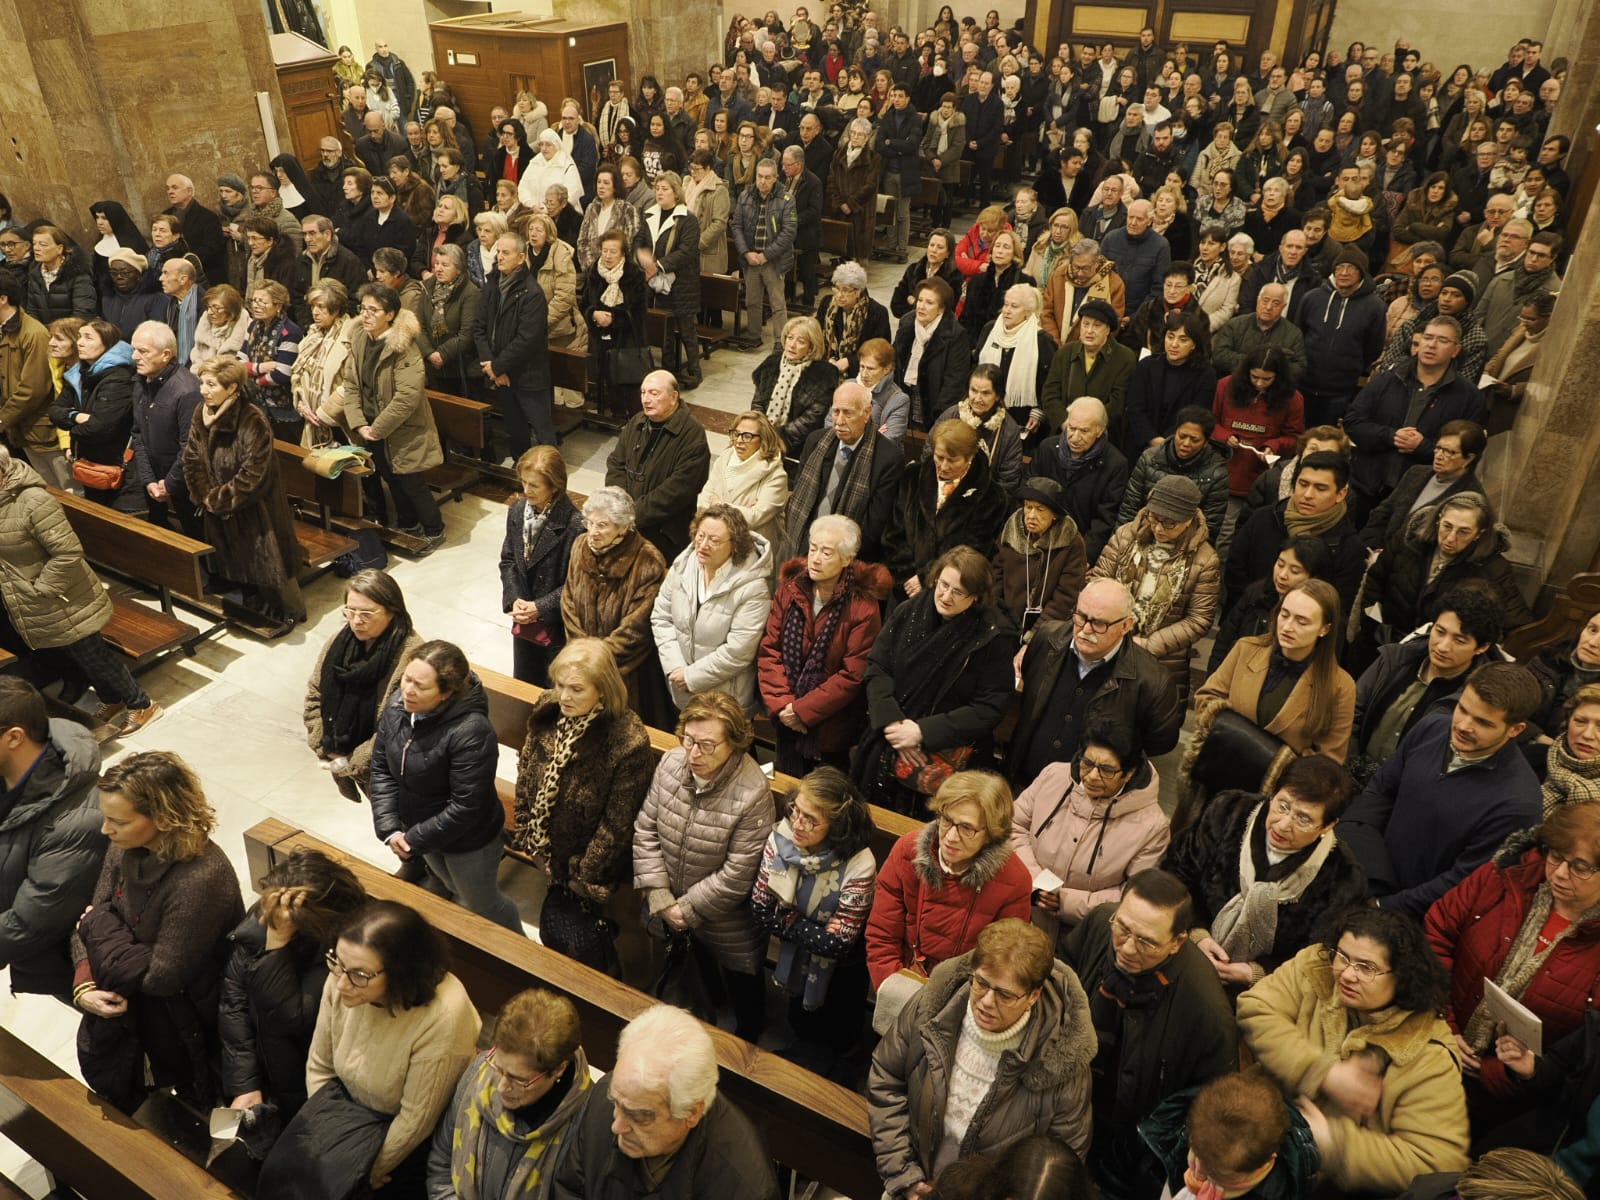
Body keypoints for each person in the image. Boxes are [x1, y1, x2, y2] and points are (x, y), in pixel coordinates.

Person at [1236, 906, 1470, 1193]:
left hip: (1329, 1184)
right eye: (1343, 956)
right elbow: (1255, 1007)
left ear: (1403, 977)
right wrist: (1321, 1072)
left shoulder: (1428, 1054)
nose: (1346, 974)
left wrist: (1333, 1143)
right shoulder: (1318, 967)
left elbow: (1437, 1162)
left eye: (1366, 967)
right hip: (1261, 1124)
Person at [256, 901, 480, 1198]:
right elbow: (320, 1064)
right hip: (338, 1109)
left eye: (360, 975)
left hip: (396, 1138)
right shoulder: (343, 976)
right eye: (337, 962)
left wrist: (366, 1171)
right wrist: (321, 1135)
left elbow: (415, 1121)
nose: (341, 984)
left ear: (401, 970)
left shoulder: (444, 1016)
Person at [869, 918, 1096, 1197]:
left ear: (1033, 996)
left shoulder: (1063, 1061)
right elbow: (886, 1077)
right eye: (981, 983)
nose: (987, 1002)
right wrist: (903, 1173)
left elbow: (1060, 1160)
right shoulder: (932, 1008)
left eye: (1004, 994)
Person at [71, 752, 244, 1114]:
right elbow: (84, 927)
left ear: (164, 818)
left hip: (190, 1022)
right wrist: (85, 985)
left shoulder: (201, 878)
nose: (106, 830)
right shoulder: (125, 848)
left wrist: (99, 926)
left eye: (118, 821)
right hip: (136, 1010)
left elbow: (161, 976)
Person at [1059, 870, 1238, 1198]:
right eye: (1122, 928)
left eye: (1146, 941)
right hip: (1070, 1105)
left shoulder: (1207, 1011)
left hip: (1133, 1143)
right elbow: (1061, 974)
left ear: (1177, 942)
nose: (1126, 948)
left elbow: (1208, 1104)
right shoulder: (1100, 923)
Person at [1427, 803, 1600, 1126]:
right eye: (1556, 856)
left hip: (1512, 1109)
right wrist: (1443, 1023)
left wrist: (1516, 1072)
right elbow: (1437, 933)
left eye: (1580, 866)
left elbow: (1586, 1051)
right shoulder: (1505, 877)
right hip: (1432, 1054)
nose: (1560, 874)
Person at [1340, 661, 1544, 917]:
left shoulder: (1518, 804)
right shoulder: (1431, 728)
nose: (1462, 726)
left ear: (1516, 729)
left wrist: (1383, 907)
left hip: (1408, 918)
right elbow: (1379, 793)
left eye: (1482, 722)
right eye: (1462, 709)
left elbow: (1463, 883)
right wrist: (1365, 875)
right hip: (1362, 877)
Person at [633, 690, 773, 1042]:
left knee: (743, 990)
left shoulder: (752, 791)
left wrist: (688, 908)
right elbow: (646, 826)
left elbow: (739, 872)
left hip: (728, 921)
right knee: (694, 977)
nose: (693, 753)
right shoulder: (670, 763)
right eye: (689, 740)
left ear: (735, 745)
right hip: (670, 905)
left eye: (707, 745)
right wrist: (660, 895)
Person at [1163, 753, 1367, 989]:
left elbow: (1319, 958)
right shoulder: (1228, 811)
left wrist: (1257, 973)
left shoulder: (1343, 878)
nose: (1282, 824)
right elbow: (1175, 873)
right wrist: (1195, 931)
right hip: (1180, 942)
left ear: (1329, 825)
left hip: (1264, 989)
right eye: (1283, 805)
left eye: (1303, 819)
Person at [511, 638, 651, 970]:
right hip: (548, 848)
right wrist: (529, 836)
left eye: (576, 689)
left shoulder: (627, 740)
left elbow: (617, 824)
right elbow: (527, 771)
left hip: (592, 865)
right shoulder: (549, 706)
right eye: (560, 684)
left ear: (603, 690)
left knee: (598, 944)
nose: (563, 697)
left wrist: (579, 876)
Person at [369, 640, 523, 933]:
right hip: (423, 830)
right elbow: (381, 768)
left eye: (421, 686)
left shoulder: (471, 731)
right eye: (407, 679)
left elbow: (467, 805)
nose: (408, 690)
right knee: (453, 883)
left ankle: (520, 950)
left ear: (447, 693)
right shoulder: (398, 706)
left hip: (469, 840)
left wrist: (413, 838)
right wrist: (390, 829)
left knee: (485, 905)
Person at [551, 1003, 780, 1199]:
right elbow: (568, 1188)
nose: (616, 1125)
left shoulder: (744, 1187)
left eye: (639, 1117)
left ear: (691, 1113)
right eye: (616, 1103)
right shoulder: (611, 1096)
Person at [219, 849, 367, 1145]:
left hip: (310, 1085)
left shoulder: (350, 949)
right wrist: (244, 1081)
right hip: (260, 1072)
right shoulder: (267, 915)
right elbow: (233, 1001)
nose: (268, 915)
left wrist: (275, 948)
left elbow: (292, 1018)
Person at [866, 771, 1033, 1013]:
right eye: (946, 820)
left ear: (992, 834)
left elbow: (999, 964)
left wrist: (954, 1013)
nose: (951, 837)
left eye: (967, 828)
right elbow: (882, 934)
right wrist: (894, 990)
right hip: (900, 982)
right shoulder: (907, 851)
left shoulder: (1014, 881)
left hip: (963, 1002)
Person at [751, 767, 877, 1074]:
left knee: (837, 1036)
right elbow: (760, 908)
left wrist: (788, 917)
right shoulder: (781, 837)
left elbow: (839, 943)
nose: (798, 823)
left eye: (811, 819)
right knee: (800, 1023)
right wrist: (813, 928)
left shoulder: (860, 863)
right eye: (796, 810)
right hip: (797, 958)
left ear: (837, 826)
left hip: (842, 973)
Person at [1188, 579, 1355, 806]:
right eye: (1284, 614)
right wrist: (1232, 732)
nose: (1287, 626)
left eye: (1302, 621)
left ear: (1325, 629)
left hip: (1273, 799)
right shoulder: (1247, 648)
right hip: (1215, 775)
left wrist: (1280, 763)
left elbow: (1329, 763)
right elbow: (1206, 698)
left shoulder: (1340, 687)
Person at [1009, 577, 1184, 786]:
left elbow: (1159, 742)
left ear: (1126, 625)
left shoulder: (1153, 681)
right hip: (1023, 780)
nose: (1085, 629)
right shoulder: (1047, 638)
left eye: (1100, 623)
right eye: (1081, 616)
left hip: (1086, 797)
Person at [1010, 717, 1167, 945]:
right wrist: (1035, 880)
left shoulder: (1153, 825)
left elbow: (1134, 893)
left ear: (1129, 773)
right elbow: (1013, 826)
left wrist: (1066, 902)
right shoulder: (1053, 776)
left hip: (1083, 936)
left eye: (1106, 770)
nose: (1092, 776)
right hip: (1021, 911)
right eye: (1087, 763)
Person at [426, 988, 592, 1200]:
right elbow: (441, 1161)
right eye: (499, 1068)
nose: (502, 1086)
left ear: (558, 1069)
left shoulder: (584, 1125)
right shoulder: (479, 1074)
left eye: (519, 1079)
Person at [0, 677, 105, 998]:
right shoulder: (8, 766)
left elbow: (29, 924)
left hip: (62, 963)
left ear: (15, 737)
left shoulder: (75, 821)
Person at [183, 356, 307, 623]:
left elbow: (254, 474)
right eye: (202, 383)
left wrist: (218, 500)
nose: (203, 390)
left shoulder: (252, 419)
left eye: (211, 384)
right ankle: (256, 607)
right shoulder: (201, 414)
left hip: (257, 510)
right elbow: (192, 459)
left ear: (232, 389)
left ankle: (289, 613)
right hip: (220, 506)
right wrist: (206, 496)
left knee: (271, 567)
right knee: (239, 566)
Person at [1350, 586, 1503, 783]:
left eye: (1459, 640)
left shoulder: (1476, 697)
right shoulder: (1395, 659)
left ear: (1481, 648)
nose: (1442, 646)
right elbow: (1352, 711)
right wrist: (1351, 763)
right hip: (1353, 772)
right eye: (1439, 631)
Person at [1344, 316, 1487, 512]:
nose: (1431, 345)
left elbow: (1468, 453)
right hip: (1366, 486)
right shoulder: (1388, 380)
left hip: (1420, 496)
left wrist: (1423, 446)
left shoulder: (1468, 397)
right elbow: (1353, 422)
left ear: (1455, 350)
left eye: (1442, 341)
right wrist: (1390, 436)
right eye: (1427, 338)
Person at [302, 568, 421, 804]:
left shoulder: (411, 657)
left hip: (391, 774)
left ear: (392, 611)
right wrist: (323, 742)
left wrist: (351, 761)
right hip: (346, 759)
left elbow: (400, 727)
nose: (357, 621)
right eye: (350, 611)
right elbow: (315, 694)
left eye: (367, 613)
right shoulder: (339, 642)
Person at [343, 282, 446, 550]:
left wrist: (377, 428)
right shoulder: (360, 338)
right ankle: (408, 523)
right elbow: (352, 384)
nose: (365, 315)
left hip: (402, 428)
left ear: (390, 315)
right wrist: (359, 423)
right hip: (371, 427)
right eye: (363, 309)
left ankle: (435, 528)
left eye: (373, 310)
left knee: (411, 482)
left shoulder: (405, 347)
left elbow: (407, 396)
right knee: (390, 477)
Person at [1095, 473, 1222, 682]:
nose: (1158, 528)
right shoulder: (1127, 535)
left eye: (1170, 523)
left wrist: (1150, 644)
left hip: (1162, 659)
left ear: (1189, 521)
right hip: (1109, 639)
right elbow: (1099, 580)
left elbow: (1199, 619)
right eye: (1154, 518)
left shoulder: (1205, 559)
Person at [651, 504, 774, 715]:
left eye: (714, 540)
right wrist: (675, 667)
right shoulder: (683, 565)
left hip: (725, 701)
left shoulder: (753, 588)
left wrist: (691, 677)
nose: (703, 545)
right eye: (700, 536)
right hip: (680, 687)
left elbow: (738, 651)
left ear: (734, 545)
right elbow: (661, 617)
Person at [1363, 493, 1533, 640]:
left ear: (1478, 534)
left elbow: (1517, 625)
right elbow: (1375, 580)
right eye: (1447, 526)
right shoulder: (1409, 541)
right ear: (1438, 520)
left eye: (1463, 532)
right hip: (1384, 639)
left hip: (1438, 652)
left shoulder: (1493, 569)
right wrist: (1369, 627)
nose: (1450, 538)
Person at [1137, 1069, 1320, 1200]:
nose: (1197, 1173)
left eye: (1217, 1176)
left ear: (1266, 1163)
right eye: (1196, 1153)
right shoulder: (1196, 1130)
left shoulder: (1275, 1191)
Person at [1226, 451, 1366, 614]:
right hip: (1247, 616)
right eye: (1303, 484)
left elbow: (1336, 607)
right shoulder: (1264, 518)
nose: (1307, 495)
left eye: (1320, 488)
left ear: (1341, 494)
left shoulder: (1348, 547)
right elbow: (1235, 570)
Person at [781, 381, 905, 564]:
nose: (839, 421)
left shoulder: (887, 458)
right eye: (836, 411)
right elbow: (799, 492)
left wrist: (831, 554)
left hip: (849, 558)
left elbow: (873, 526)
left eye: (848, 413)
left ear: (867, 413)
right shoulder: (816, 441)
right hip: (802, 546)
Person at [884, 420, 1007, 596]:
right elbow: (893, 535)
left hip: (951, 591)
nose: (943, 466)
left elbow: (973, 550)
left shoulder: (991, 497)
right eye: (939, 457)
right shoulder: (911, 478)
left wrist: (927, 578)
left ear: (970, 457)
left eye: (952, 460)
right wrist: (906, 577)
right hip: (903, 587)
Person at [495, 446, 582, 687]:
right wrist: (515, 600)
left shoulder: (575, 525)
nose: (526, 491)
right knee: (524, 682)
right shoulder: (517, 511)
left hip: (555, 625)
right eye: (524, 482)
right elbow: (509, 559)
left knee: (551, 687)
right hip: (524, 619)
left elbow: (576, 585)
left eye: (534, 486)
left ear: (554, 486)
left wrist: (539, 607)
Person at [605, 370, 711, 563]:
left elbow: (677, 491)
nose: (646, 399)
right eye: (643, 393)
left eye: (654, 393)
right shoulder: (637, 422)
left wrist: (632, 515)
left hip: (665, 533)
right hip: (627, 522)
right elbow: (616, 464)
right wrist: (619, 504)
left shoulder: (692, 435)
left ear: (673, 397)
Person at [473, 233, 555, 456]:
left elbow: (527, 340)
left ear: (520, 258)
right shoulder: (492, 285)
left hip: (528, 376)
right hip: (501, 374)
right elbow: (479, 328)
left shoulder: (532, 293)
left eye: (505, 253)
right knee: (514, 432)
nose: (499, 257)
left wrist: (497, 367)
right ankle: (522, 475)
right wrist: (491, 365)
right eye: (498, 251)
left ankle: (552, 479)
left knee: (543, 432)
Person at [1031, 396, 1131, 562]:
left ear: (1100, 430)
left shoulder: (1115, 464)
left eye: (1084, 431)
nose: (1075, 437)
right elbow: (1030, 493)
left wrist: (1083, 556)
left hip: (1080, 545)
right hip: (1040, 537)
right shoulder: (1047, 449)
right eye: (1071, 428)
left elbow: (1106, 519)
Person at [47, 317, 134, 509]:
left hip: (114, 465)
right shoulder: (79, 372)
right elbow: (54, 411)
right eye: (79, 336)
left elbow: (99, 428)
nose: (80, 342)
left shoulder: (118, 378)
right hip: (89, 461)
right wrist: (76, 416)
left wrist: (73, 431)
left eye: (88, 337)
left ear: (107, 343)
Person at [1360, 419, 1485, 549]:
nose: (1439, 456)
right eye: (1438, 448)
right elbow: (1384, 511)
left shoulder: (1471, 499)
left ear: (1469, 458)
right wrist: (1371, 546)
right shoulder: (1416, 473)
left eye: (1449, 452)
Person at [991, 476, 1087, 643]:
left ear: (1055, 515)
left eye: (1040, 509)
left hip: (1047, 630)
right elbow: (995, 578)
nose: (1031, 515)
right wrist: (998, 620)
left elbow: (1065, 597)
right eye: (1028, 507)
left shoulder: (1072, 543)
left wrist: (1036, 634)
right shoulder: (1011, 532)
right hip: (1004, 623)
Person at [1298, 247, 1387, 425]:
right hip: (1304, 384)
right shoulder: (1312, 298)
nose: (1344, 273)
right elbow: (1298, 333)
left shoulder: (1375, 307)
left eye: (1351, 268)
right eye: (1340, 267)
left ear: (1361, 273)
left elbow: (1373, 347)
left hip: (1341, 390)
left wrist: (1351, 367)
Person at [1118, 406, 1231, 539]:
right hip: (1143, 534)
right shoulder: (1149, 458)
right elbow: (1129, 508)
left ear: (1206, 441)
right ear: (1175, 431)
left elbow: (1209, 526)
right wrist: (1124, 541)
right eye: (1182, 436)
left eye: (1194, 440)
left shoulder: (1217, 473)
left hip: (1184, 544)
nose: (1186, 443)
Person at [637, 172, 704, 388]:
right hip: (654, 282)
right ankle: (667, 370)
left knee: (686, 330)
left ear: (676, 193)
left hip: (682, 284)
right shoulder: (649, 214)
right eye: (657, 188)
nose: (659, 192)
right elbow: (639, 240)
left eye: (665, 189)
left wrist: (657, 265)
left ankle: (694, 371)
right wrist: (642, 257)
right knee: (663, 328)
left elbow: (686, 251)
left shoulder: (688, 219)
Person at [579, 228, 650, 422]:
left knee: (630, 389)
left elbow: (639, 312)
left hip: (628, 341)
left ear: (623, 253)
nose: (608, 256)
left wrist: (614, 318)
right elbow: (585, 302)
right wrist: (593, 314)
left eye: (613, 251)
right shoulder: (595, 272)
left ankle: (635, 422)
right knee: (608, 382)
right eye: (605, 251)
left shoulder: (634, 275)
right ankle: (614, 416)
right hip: (601, 339)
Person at [1123, 310, 1217, 454]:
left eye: (1183, 340)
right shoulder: (1146, 366)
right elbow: (1135, 408)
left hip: (1181, 446)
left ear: (1194, 344)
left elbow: (1197, 415)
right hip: (1140, 443)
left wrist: (1166, 442)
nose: (1174, 344)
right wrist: (1151, 438)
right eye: (1170, 337)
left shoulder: (1205, 375)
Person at [698, 410, 788, 556]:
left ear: (763, 439)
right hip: (714, 544)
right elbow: (703, 500)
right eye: (736, 433)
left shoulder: (776, 475)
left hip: (751, 551)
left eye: (747, 436)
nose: (739, 440)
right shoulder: (724, 459)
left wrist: (718, 505)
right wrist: (738, 510)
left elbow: (754, 517)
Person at [729, 158, 797, 353]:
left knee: (777, 303)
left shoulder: (786, 199)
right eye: (760, 176)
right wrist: (746, 252)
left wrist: (766, 255)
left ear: (776, 178)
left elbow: (789, 232)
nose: (763, 181)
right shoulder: (745, 196)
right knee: (752, 300)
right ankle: (753, 335)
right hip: (750, 258)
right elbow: (737, 225)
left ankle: (780, 341)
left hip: (773, 260)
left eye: (768, 177)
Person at [751, 316, 838, 455]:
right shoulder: (771, 364)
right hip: (762, 436)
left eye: (800, 341)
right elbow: (757, 404)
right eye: (790, 338)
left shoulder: (823, 375)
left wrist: (776, 439)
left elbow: (811, 420)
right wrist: (760, 431)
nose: (792, 345)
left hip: (799, 445)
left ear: (811, 346)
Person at [893, 277, 970, 429]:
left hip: (935, 411)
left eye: (929, 303)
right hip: (904, 404)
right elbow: (895, 363)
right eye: (920, 300)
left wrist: (940, 419)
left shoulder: (955, 335)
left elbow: (954, 382)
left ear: (941, 308)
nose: (921, 306)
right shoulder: (907, 324)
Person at [415, 244, 480, 396]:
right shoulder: (427, 288)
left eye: (445, 265)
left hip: (461, 370)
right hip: (432, 367)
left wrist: (442, 354)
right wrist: (429, 353)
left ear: (458, 268)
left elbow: (466, 334)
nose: (438, 269)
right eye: (436, 264)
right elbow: (419, 326)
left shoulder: (471, 293)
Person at [817, 261, 893, 379]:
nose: (839, 295)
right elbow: (817, 337)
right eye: (837, 288)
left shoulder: (876, 313)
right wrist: (828, 358)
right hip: (827, 368)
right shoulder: (827, 304)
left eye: (846, 290)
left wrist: (849, 362)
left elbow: (880, 351)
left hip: (861, 374)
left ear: (858, 292)